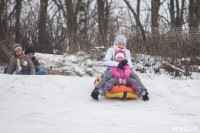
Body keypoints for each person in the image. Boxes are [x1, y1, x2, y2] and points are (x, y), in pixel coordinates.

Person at [91, 35, 149, 101]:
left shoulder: (127, 51)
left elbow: (129, 63)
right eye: (119, 44)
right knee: (108, 76)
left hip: (124, 71)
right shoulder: (111, 50)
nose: (121, 46)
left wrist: (125, 63)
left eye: (123, 44)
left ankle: (144, 92)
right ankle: (96, 91)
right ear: (116, 43)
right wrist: (117, 64)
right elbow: (106, 61)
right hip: (113, 70)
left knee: (134, 76)